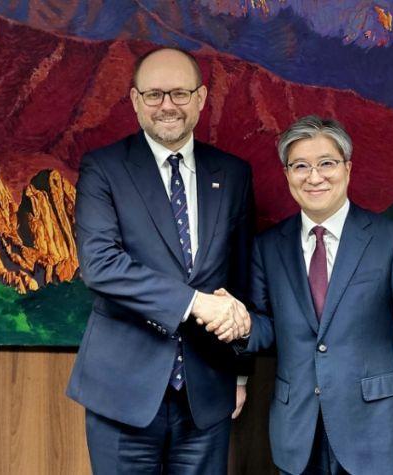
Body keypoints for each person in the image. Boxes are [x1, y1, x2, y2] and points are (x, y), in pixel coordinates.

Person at [215, 116, 393, 474]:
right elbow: (266, 327)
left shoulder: (392, 241)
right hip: (297, 431)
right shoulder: (269, 247)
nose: (314, 177)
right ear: (287, 174)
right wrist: (237, 322)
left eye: (326, 163)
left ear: (347, 168)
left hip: (377, 432)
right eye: (300, 166)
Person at [67, 46, 254, 474]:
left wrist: (241, 374)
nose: (167, 105)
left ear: (201, 98)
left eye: (179, 93)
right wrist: (194, 303)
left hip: (207, 395)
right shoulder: (103, 169)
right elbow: (101, 266)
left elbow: (240, 277)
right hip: (122, 395)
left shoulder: (233, 174)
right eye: (153, 94)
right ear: (135, 100)